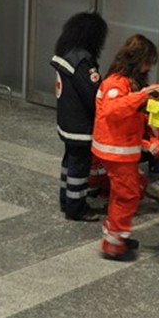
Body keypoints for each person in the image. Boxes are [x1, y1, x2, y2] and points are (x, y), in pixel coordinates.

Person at [93, 34, 159, 260]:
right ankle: (113, 244)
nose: (148, 66)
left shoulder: (128, 82)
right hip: (116, 150)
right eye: (147, 61)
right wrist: (142, 95)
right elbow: (114, 110)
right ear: (137, 60)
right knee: (127, 196)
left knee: (123, 194)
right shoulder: (115, 83)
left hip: (122, 149)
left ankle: (116, 235)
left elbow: (138, 110)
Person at [52, 12, 108, 222]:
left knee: (69, 161)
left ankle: (65, 199)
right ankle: (76, 208)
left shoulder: (64, 52)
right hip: (80, 124)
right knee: (79, 165)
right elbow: (94, 94)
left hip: (66, 120)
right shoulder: (82, 61)